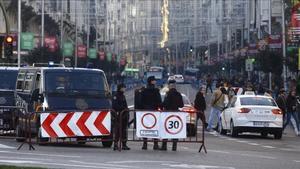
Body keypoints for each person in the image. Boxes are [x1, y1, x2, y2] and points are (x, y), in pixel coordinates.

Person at [161, 80, 184, 151]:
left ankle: (164, 146)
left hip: (167, 114)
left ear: (170, 86)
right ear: (175, 85)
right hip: (176, 114)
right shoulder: (178, 94)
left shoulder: (167, 94)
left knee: (166, 129)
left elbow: (165, 104)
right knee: (175, 130)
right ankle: (174, 146)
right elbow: (181, 105)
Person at [140, 76, 162, 150]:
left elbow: (141, 101)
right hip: (154, 111)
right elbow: (159, 100)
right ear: (151, 81)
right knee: (155, 127)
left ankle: (144, 144)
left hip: (145, 112)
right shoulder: (156, 90)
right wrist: (161, 108)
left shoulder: (144, 90)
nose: (155, 81)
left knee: (145, 127)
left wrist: (143, 108)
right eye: (154, 80)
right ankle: (155, 144)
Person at [112, 83, 130, 150]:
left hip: (124, 115)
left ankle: (124, 144)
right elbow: (115, 106)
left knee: (124, 130)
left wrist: (126, 110)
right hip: (118, 115)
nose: (124, 89)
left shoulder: (123, 96)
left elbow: (125, 105)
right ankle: (116, 144)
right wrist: (122, 108)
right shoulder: (116, 96)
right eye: (123, 87)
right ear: (120, 88)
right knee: (118, 130)